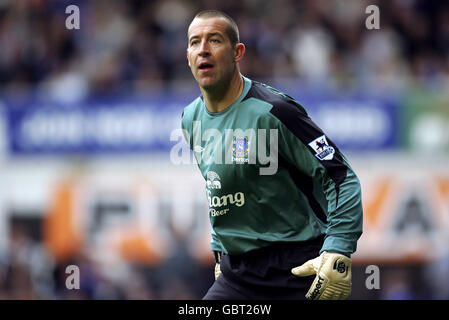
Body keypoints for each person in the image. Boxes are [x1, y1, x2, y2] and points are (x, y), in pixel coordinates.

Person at [181, 10, 363, 300]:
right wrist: (220, 252)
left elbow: (340, 176)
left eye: (214, 40)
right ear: (188, 55)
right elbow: (219, 188)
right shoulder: (191, 118)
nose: (203, 49)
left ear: (237, 52)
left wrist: (338, 249)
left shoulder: (275, 111)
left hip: (296, 270)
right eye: (195, 42)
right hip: (236, 277)